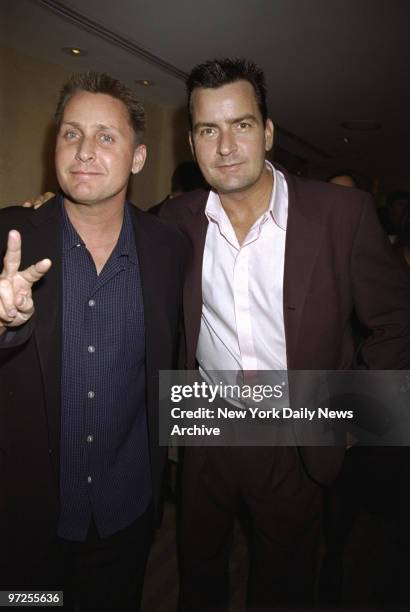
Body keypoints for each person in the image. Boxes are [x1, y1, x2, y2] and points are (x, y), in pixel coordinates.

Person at [158, 58, 410, 611]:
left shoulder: (342, 214)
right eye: (208, 130)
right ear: (192, 141)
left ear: (268, 131)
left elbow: (395, 321)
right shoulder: (173, 222)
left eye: (241, 125)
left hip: (299, 421)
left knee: (285, 576)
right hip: (206, 416)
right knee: (197, 565)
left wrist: (359, 414)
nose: (225, 146)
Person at [0, 72, 187, 611]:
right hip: (26, 523)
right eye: (71, 133)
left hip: (126, 515)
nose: (84, 151)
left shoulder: (169, 250)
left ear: (138, 158)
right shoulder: (11, 235)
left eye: (106, 137)